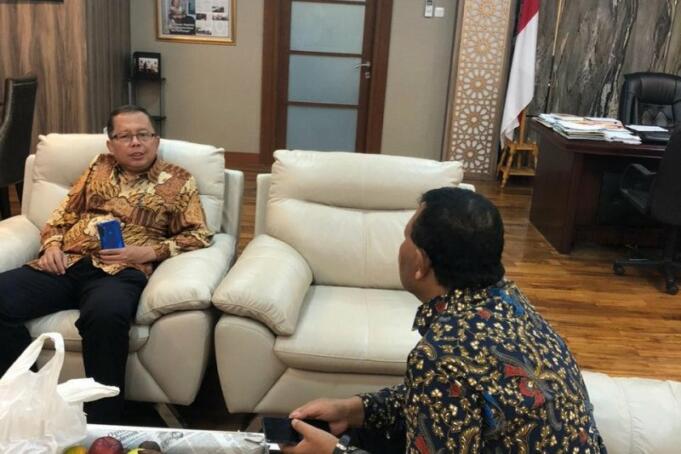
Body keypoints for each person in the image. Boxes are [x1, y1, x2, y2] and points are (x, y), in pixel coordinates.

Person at [282, 188, 606, 453]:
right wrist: (355, 409)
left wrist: (334, 452)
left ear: (421, 263)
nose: (400, 247)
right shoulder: (512, 301)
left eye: (406, 237)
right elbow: (447, 400)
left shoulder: (440, 356)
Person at [0, 105, 212, 423]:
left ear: (156, 140)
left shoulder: (178, 181)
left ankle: (103, 421)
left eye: (143, 135)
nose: (136, 143)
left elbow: (199, 235)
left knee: (106, 316)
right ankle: (27, 400)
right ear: (111, 144)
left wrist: (148, 252)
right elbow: (63, 215)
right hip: (67, 263)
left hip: (119, 273)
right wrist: (52, 245)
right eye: (125, 136)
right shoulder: (98, 167)